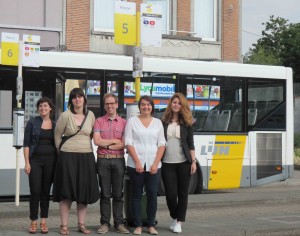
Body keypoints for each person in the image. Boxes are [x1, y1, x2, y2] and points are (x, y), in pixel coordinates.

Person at [53, 88, 99, 235]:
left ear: (84, 99)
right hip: (67, 157)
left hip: (86, 156)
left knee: (83, 193)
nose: (77, 99)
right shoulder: (65, 116)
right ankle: (64, 226)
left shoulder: (91, 115)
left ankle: (81, 224)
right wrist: (62, 153)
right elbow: (57, 136)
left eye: (80, 97)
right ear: (71, 100)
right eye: (74, 97)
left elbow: (92, 135)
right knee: (66, 193)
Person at [125, 95, 166, 235]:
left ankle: (151, 225)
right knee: (136, 195)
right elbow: (128, 143)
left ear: (152, 107)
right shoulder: (132, 121)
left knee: (152, 196)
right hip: (135, 164)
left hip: (154, 166)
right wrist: (137, 161)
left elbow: (162, 144)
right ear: (139, 107)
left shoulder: (158, 123)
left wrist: (155, 164)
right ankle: (137, 225)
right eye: (143, 104)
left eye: (148, 105)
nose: (146, 107)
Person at [161, 93, 197, 234]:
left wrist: (193, 162)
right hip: (166, 163)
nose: (176, 105)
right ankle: (175, 216)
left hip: (184, 163)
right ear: (171, 104)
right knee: (170, 194)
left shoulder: (187, 123)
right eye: (174, 102)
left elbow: (191, 144)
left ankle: (179, 222)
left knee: (183, 194)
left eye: (179, 103)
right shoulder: (163, 121)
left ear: (183, 106)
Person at [93, 93, 129, 234]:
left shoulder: (124, 123)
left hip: (119, 160)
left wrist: (106, 144)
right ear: (104, 105)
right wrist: (114, 142)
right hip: (103, 160)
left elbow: (124, 144)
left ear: (117, 104)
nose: (110, 106)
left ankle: (119, 223)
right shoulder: (98, 121)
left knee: (118, 194)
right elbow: (97, 141)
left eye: (112, 103)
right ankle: (105, 223)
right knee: (105, 194)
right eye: (107, 103)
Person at [23, 97, 57, 234]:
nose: (43, 108)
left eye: (45, 106)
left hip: (51, 162)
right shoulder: (32, 123)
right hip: (35, 161)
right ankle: (33, 221)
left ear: (50, 108)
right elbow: (26, 144)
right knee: (35, 191)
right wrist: (26, 162)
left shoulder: (55, 124)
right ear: (38, 109)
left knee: (45, 192)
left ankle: (43, 221)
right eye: (40, 106)